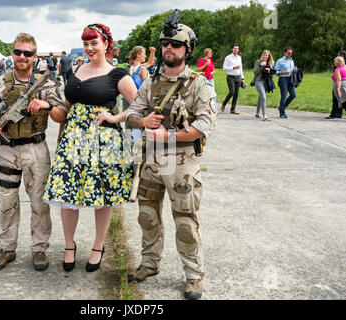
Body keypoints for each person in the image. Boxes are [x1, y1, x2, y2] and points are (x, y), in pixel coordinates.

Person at [125, 10, 217, 300]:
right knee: (146, 216)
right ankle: (150, 264)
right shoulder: (151, 82)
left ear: (187, 50)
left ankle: (193, 275)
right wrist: (142, 122)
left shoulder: (199, 84)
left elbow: (205, 125)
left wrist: (170, 135)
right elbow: (132, 113)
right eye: (165, 43)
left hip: (182, 162)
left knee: (185, 221)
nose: (168, 48)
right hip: (151, 160)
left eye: (175, 44)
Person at [41, 23, 137, 273]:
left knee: (102, 197)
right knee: (66, 194)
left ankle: (98, 246)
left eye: (94, 42)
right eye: (85, 43)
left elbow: (139, 106)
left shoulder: (118, 74)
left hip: (103, 143)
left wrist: (115, 117)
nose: (89, 48)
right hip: (72, 142)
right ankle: (69, 246)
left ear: (106, 44)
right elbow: (66, 106)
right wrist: (48, 107)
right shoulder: (77, 69)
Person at [0, 32, 66, 272]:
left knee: (39, 202)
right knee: (6, 201)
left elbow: (62, 115)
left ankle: (39, 250)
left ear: (35, 56)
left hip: (36, 148)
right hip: (6, 148)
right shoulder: (0, 83)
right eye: (18, 52)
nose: (22, 57)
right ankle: (7, 248)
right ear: (12, 53)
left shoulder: (44, 83)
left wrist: (46, 105)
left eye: (27, 53)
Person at [274, 47, 298, 119]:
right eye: (288, 53)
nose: (290, 55)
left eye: (291, 53)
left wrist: (294, 71)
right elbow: (275, 72)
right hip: (283, 79)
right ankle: (282, 113)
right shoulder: (280, 61)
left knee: (293, 95)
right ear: (285, 53)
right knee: (284, 96)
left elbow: (292, 69)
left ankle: (281, 107)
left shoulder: (291, 60)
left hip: (290, 79)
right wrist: (283, 72)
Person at [221, 44, 245, 114]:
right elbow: (224, 67)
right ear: (232, 49)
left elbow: (241, 68)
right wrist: (233, 67)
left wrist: (242, 78)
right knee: (232, 92)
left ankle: (233, 109)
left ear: (238, 50)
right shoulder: (228, 57)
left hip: (238, 77)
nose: (236, 50)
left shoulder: (239, 57)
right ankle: (224, 104)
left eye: (237, 48)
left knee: (236, 94)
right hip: (230, 77)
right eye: (234, 48)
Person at [252, 50, 276, 121]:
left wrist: (269, 71)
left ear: (268, 56)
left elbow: (271, 75)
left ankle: (257, 113)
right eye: (264, 55)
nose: (265, 56)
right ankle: (264, 115)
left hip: (265, 82)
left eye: (267, 55)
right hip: (258, 81)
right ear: (262, 55)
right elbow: (255, 72)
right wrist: (261, 66)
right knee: (263, 97)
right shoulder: (258, 62)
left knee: (261, 97)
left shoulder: (269, 64)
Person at [326, 50, 346, 120]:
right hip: (345, 84)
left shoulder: (337, 69)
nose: (334, 63)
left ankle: (333, 115)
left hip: (340, 86)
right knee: (343, 100)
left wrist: (338, 89)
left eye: (335, 61)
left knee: (341, 101)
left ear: (338, 62)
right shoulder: (345, 67)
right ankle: (335, 114)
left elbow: (338, 80)